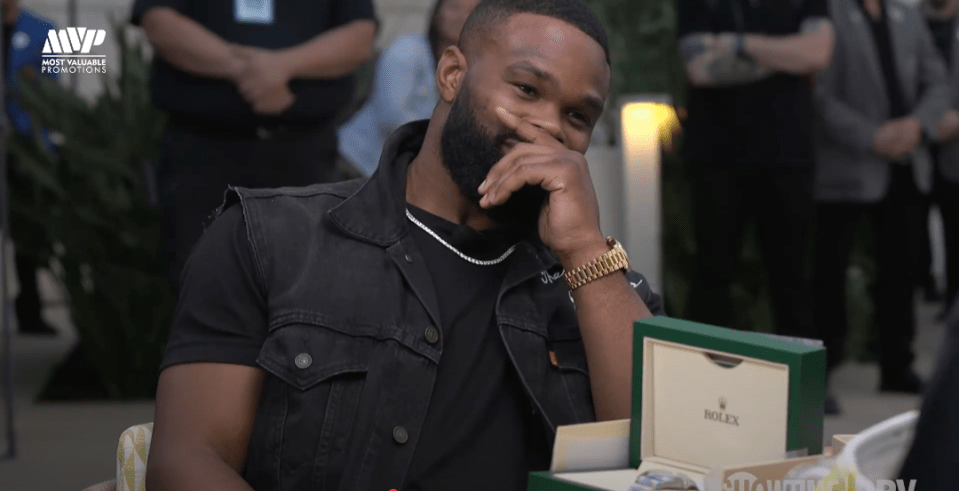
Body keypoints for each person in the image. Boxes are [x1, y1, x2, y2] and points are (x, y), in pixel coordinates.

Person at [145, 1, 666, 490]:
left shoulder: (603, 286)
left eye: (578, 116)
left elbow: (662, 462)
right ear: (452, 75)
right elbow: (186, 462)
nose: (549, 126)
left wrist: (584, 252)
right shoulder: (270, 238)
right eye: (527, 89)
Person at [131, 0, 378, 287]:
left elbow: (359, 36)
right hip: (202, 156)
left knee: (306, 291)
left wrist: (283, 66)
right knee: (203, 289)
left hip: (303, 157)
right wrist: (252, 71)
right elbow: (159, 22)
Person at [676, 0, 834, 385]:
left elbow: (817, 52)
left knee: (793, 277)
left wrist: (738, 44)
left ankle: (805, 383)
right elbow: (699, 67)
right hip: (717, 155)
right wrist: (784, 54)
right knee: (713, 272)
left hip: (788, 153)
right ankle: (698, 383)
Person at [812, 0, 951, 413]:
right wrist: (872, 137)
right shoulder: (827, 13)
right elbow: (817, 93)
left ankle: (897, 364)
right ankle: (824, 371)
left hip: (907, 162)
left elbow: (938, 82)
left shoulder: (907, 14)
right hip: (848, 166)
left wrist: (917, 126)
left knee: (902, 269)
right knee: (829, 276)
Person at [338, 0, 482, 177]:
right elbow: (391, 117)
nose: (461, 17)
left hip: (390, 176)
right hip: (355, 162)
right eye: (454, 8)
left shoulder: (475, 71)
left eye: (470, 11)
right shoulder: (408, 49)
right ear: (437, 14)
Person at [3, 0, 58, 335]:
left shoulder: (42, 30)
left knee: (29, 233)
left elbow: (51, 91)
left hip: (25, 145)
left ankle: (30, 311)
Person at [924, 0, 959, 318]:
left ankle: (953, 301)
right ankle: (927, 289)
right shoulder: (907, 21)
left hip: (954, 146)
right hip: (913, 145)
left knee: (953, 230)